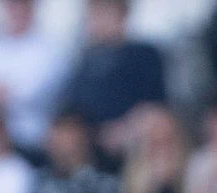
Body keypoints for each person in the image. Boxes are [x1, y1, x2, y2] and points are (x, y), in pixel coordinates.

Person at [0, 0, 76, 145]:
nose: (16, 10)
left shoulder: (49, 50)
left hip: (26, 142)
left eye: (22, 4)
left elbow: (27, 95)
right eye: (11, 4)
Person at [62, 0, 167, 143]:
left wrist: (125, 130)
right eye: (94, 13)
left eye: (104, 12)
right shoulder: (86, 61)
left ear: (122, 14)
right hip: (91, 146)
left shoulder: (144, 55)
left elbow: (154, 105)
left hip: (133, 142)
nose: (98, 21)